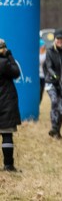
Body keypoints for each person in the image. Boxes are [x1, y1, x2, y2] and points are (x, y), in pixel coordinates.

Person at [0, 38, 21, 172]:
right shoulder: (5, 63)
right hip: (6, 102)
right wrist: (10, 57)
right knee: (7, 134)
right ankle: (8, 165)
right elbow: (16, 72)